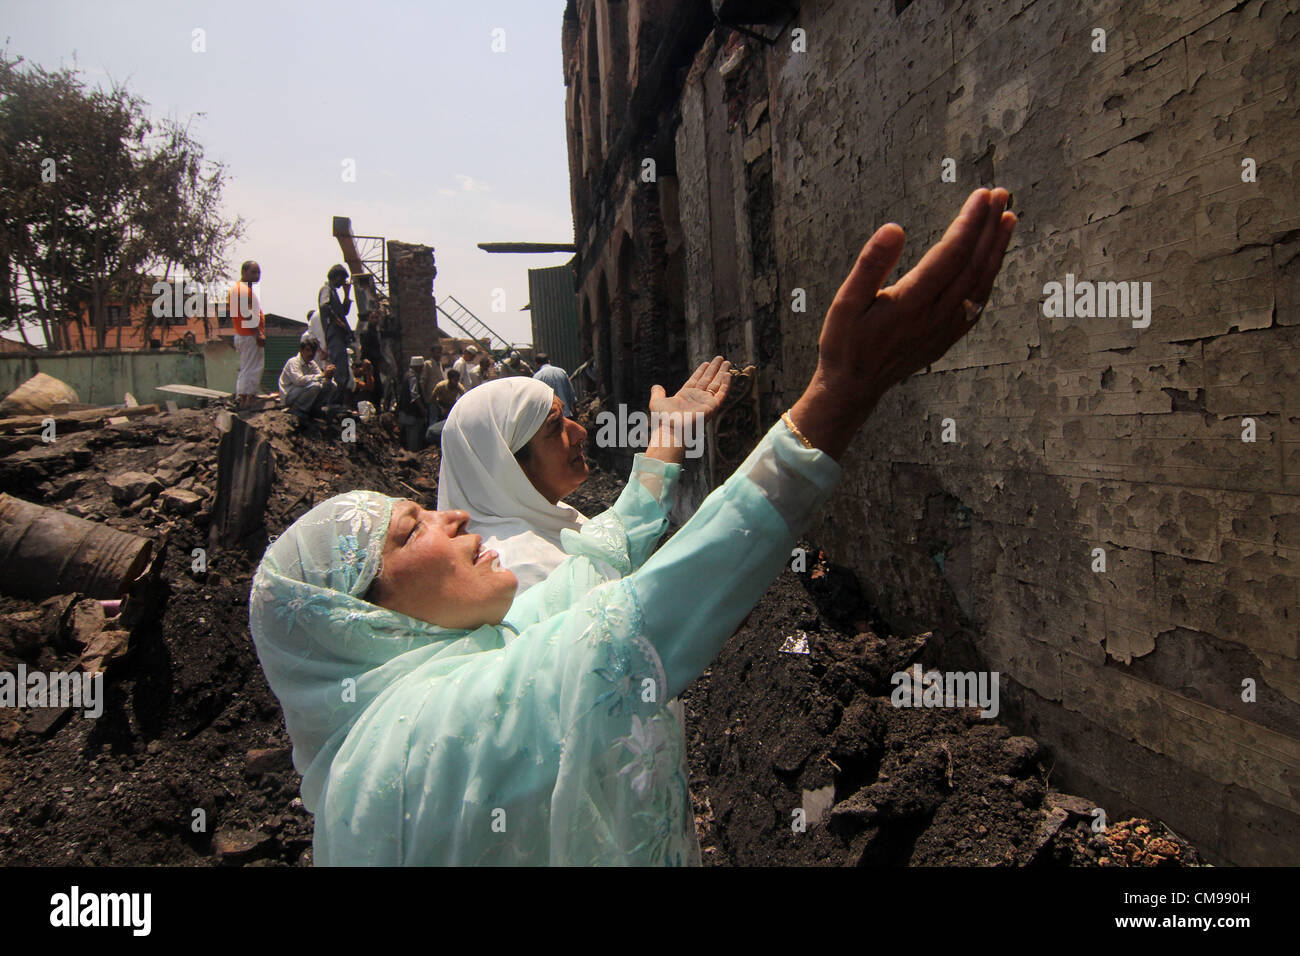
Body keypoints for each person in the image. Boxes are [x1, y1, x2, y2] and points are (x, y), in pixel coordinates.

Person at [248, 187, 1016, 866]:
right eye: (411, 529)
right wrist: (837, 399)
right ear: (359, 617)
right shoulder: (429, 741)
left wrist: (662, 449)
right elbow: (634, 620)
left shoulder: (457, 649)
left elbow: (604, 558)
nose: (448, 515)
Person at [229, 260, 265, 409]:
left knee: (247, 366)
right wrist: (258, 333)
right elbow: (247, 313)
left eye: (258, 272)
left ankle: (246, 397)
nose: (257, 275)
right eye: (253, 272)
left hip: (244, 334)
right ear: (244, 272)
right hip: (249, 334)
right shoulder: (242, 290)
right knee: (252, 367)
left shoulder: (241, 289)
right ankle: (247, 398)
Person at [279, 334, 336, 421]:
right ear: (301, 350)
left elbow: (322, 378)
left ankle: (315, 409)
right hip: (290, 394)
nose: (311, 353)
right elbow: (298, 381)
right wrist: (322, 375)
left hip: (303, 392)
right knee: (315, 386)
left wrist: (328, 376)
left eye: (313, 351)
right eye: (307, 350)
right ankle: (297, 409)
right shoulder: (293, 362)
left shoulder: (312, 364)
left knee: (331, 385)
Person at [318, 265, 354, 395]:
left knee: (343, 369)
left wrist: (347, 293)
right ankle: (335, 403)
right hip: (334, 333)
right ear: (337, 277)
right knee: (339, 371)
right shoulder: (326, 290)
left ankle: (339, 402)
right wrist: (336, 320)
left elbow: (344, 311)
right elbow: (324, 306)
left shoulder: (334, 293)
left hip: (339, 334)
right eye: (342, 279)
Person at [426, 368, 465, 445]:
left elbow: (464, 396)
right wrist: (441, 409)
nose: (456, 382)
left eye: (458, 380)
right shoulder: (440, 386)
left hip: (451, 405)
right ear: (449, 379)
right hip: (439, 404)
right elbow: (432, 398)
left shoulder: (459, 387)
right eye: (455, 380)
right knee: (434, 421)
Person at [397, 355, 428, 451]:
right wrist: (422, 409)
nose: (422, 369)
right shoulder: (413, 377)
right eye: (421, 367)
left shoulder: (407, 375)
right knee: (413, 437)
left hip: (405, 412)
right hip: (411, 413)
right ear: (417, 366)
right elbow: (414, 395)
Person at [532, 353, 578, 418]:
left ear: (536, 363)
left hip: (550, 418)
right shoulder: (561, 372)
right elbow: (571, 394)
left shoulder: (537, 377)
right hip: (566, 415)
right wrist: (575, 412)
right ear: (549, 361)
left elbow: (536, 399)